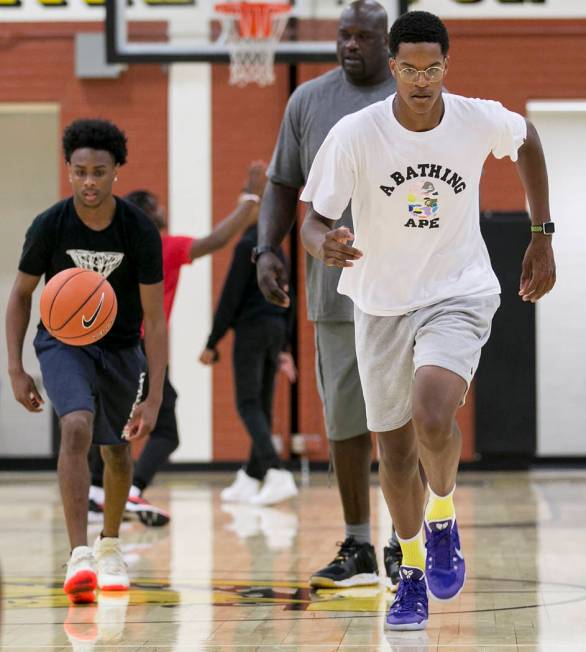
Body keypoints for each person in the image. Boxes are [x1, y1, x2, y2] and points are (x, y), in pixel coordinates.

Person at [299, 10, 556, 630]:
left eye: (431, 68)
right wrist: (321, 245)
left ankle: (442, 514)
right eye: (409, 69)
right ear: (393, 68)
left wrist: (541, 234)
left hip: (457, 290)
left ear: (446, 65)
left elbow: (527, 141)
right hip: (381, 301)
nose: (420, 80)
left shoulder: (474, 117)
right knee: (392, 446)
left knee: (433, 414)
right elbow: (311, 215)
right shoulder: (357, 133)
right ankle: (409, 571)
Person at [256, 0, 401, 588]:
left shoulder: (412, 98)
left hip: (406, 290)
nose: (350, 46)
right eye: (344, 35)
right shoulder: (308, 102)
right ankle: (360, 544)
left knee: (403, 422)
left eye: (363, 37)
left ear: (385, 42)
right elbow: (282, 185)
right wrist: (266, 250)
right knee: (345, 422)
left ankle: (404, 541)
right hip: (336, 293)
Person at [6, 119, 168, 602]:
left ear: (117, 170)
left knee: (117, 449)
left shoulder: (138, 230)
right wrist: (15, 369)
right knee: (76, 424)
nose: (89, 181)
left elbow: (155, 321)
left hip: (121, 347)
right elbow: (19, 297)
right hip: (63, 343)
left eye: (99, 171)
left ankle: (110, 545)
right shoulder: (50, 225)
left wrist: (155, 395)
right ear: (69, 171)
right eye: (80, 172)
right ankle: (79, 555)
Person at [88, 163, 267, 527]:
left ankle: (100, 491)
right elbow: (215, 240)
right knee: (166, 430)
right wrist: (249, 201)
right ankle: (125, 489)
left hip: (109, 348)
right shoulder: (162, 247)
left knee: (110, 418)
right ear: (149, 214)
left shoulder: (115, 250)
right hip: (140, 349)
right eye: (156, 204)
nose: (163, 207)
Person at [199, 219, 298, 506]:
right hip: (275, 330)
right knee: (262, 406)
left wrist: (211, 341)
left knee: (248, 403)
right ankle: (251, 477)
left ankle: (276, 471)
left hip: (252, 332)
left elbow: (230, 297)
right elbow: (289, 299)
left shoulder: (247, 246)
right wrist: (285, 344)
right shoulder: (279, 251)